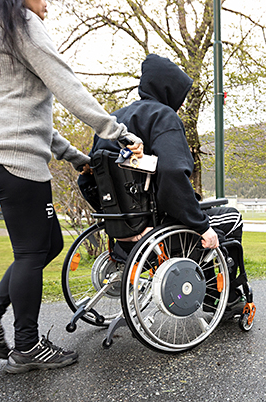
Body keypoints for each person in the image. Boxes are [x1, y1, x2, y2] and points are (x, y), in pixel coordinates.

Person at [0, 0, 143, 374]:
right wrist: (117, 133)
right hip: (16, 160)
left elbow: (29, 115)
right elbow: (65, 82)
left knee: (46, 245)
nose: (48, 5)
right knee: (31, 253)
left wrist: (75, 157)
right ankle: (26, 346)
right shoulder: (17, 20)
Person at [83, 54, 245, 301]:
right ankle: (223, 300)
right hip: (156, 233)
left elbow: (88, 179)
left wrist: (117, 219)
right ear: (170, 91)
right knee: (230, 217)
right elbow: (172, 174)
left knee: (202, 214)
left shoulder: (114, 121)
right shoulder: (163, 116)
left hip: (123, 235)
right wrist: (201, 225)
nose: (180, 104)